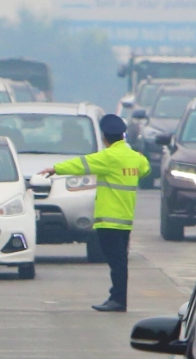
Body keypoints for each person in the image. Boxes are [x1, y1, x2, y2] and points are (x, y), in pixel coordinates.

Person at [38, 114, 149, 312]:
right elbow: (145, 169)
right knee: (120, 261)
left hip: (108, 222)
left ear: (105, 138)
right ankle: (118, 297)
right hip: (125, 220)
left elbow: (81, 164)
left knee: (117, 263)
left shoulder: (108, 157)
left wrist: (55, 169)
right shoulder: (134, 158)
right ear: (123, 136)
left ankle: (118, 299)